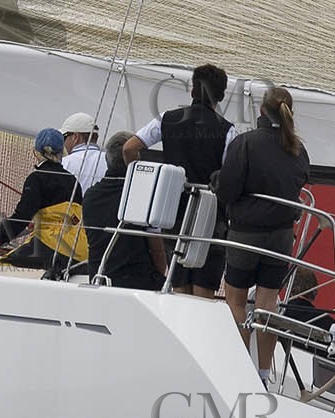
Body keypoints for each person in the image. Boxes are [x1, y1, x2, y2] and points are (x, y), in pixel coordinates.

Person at [218, 87, 311, 386]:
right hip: (281, 237)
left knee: (236, 300)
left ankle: (241, 367)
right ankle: (264, 373)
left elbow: (228, 190)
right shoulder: (298, 149)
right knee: (268, 303)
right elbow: (300, 181)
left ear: (261, 110)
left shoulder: (245, 143)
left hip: (246, 234)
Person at [122, 63, 236, 298]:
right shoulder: (227, 131)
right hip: (209, 215)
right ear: (221, 96)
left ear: (192, 91)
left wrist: (143, 185)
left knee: (178, 282)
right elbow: (230, 175)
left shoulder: (166, 119)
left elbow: (129, 148)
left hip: (173, 209)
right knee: (203, 289)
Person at [0, 129, 87, 274]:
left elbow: (22, 217)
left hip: (51, 245)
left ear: (35, 152)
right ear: (61, 152)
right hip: (79, 250)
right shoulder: (74, 181)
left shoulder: (37, 178)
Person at [82, 132, 167, 290]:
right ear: (136, 160)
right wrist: (160, 277)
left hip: (98, 278)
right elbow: (156, 247)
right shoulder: (142, 193)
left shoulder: (90, 195)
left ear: (108, 160)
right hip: (139, 280)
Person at [60, 112, 107, 192]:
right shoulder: (110, 161)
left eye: (64, 137)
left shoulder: (64, 163)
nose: (63, 142)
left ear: (75, 137)